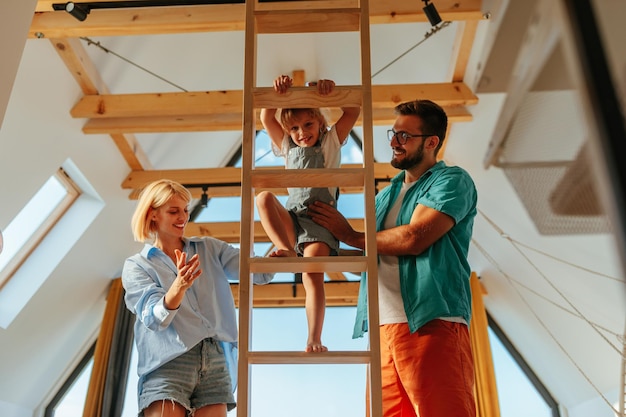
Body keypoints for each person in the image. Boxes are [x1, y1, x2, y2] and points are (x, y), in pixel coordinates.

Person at [308, 99, 478, 417]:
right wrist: (308, 252)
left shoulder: (452, 181)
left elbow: (415, 238)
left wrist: (351, 236)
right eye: (393, 133)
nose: (394, 142)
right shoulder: (386, 194)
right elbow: (375, 248)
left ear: (431, 142)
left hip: (433, 320)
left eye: (404, 136)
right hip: (385, 327)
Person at [121, 179, 274, 417]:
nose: (183, 217)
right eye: (173, 211)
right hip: (167, 364)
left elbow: (259, 274)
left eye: (185, 210)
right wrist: (178, 286)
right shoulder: (137, 266)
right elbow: (154, 319)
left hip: (215, 359)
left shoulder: (210, 249)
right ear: (152, 215)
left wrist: (283, 246)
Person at [256, 74, 360, 353]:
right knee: (264, 197)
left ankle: (314, 337)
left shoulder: (330, 143)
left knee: (311, 275)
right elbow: (267, 117)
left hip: (319, 223)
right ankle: (284, 250)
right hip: (293, 219)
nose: (302, 132)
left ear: (321, 122)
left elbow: (353, 110)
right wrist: (280, 92)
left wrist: (327, 95)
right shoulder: (288, 148)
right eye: (294, 128)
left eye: (308, 124)